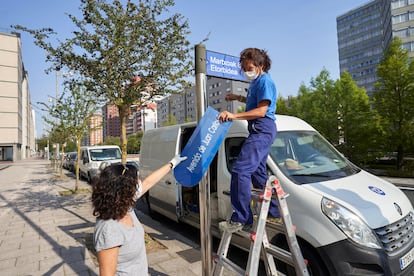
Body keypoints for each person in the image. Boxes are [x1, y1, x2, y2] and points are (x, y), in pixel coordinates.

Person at [92, 155, 186, 276]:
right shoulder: (109, 230)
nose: (140, 182)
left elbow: (149, 182)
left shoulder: (125, 206)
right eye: (136, 181)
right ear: (125, 189)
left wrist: (172, 164)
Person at [217, 47, 279, 232]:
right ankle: (275, 212)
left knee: (240, 170)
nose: (246, 71)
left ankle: (242, 217)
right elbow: (254, 102)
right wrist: (237, 97)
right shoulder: (257, 82)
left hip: (262, 128)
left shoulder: (265, 81)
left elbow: (261, 111)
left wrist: (233, 116)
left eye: (248, 67)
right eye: (244, 68)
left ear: (260, 65)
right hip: (260, 129)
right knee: (258, 173)